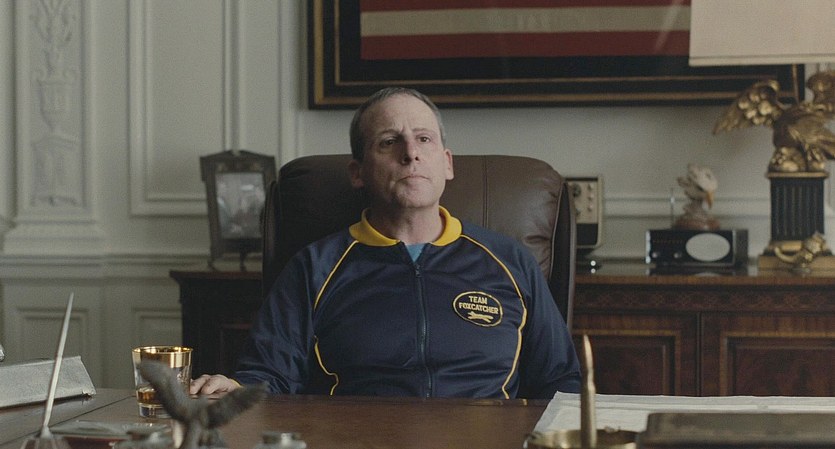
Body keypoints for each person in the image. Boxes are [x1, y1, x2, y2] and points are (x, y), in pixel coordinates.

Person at [190, 87, 581, 399]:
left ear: (447, 163)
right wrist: (236, 390)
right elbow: (269, 376)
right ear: (357, 172)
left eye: (424, 139)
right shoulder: (314, 267)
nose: (411, 153)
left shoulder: (509, 261)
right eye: (389, 141)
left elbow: (559, 382)